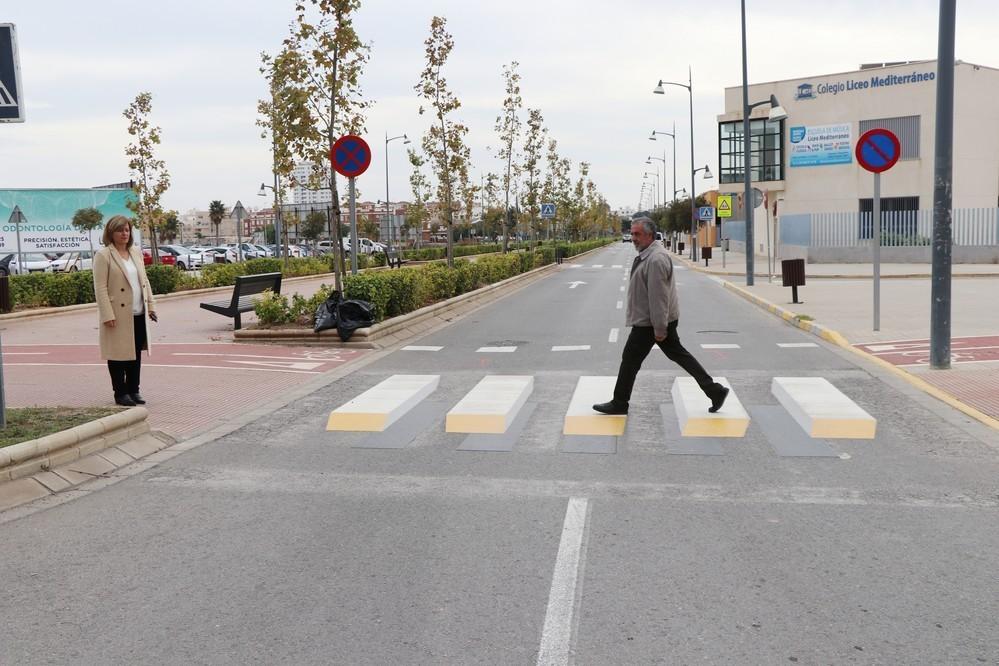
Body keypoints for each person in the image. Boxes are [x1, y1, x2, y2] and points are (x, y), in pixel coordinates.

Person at [594, 217, 728, 416]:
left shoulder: (655, 259)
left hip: (651, 322)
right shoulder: (649, 254)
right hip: (656, 320)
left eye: (637, 234)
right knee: (679, 355)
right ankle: (714, 390)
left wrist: (659, 328)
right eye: (632, 234)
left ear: (649, 235)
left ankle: (620, 402)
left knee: (630, 360)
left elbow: (658, 298)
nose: (633, 238)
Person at [93, 215, 158, 406]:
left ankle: (134, 389)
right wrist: (107, 314)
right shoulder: (104, 255)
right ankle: (120, 392)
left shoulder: (135, 252)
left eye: (127, 230)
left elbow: (144, 281)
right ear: (111, 233)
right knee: (117, 355)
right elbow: (100, 287)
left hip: (137, 311)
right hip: (117, 314)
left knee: (135, 353)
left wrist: (151, 306)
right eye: (120, 230)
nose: (124, 233)